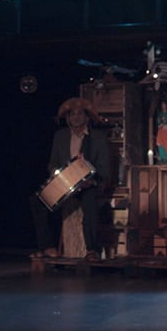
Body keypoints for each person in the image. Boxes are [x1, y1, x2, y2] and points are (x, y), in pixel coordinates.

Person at [29, 97, 111, 260]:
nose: (76, 117)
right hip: (65, 185)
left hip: (88, 185)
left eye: (80, 114)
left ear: (87, 117)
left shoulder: (98, 138)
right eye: (72, 114)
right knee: (37, 201)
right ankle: (47, 247)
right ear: (67, 118)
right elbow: (53, 163)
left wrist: (92, 181)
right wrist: (55, 173)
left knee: (90, 202)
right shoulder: (60, 136)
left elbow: (105, 169)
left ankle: (92, 250)